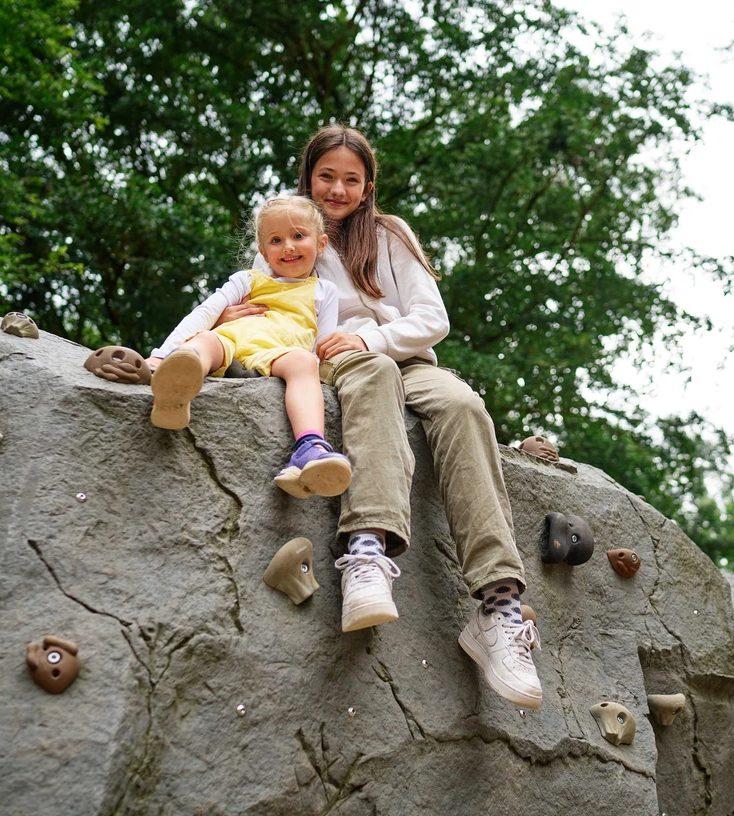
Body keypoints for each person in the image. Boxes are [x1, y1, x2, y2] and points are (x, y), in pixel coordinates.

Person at [225, 126, 542, 709]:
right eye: (327, 176)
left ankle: (498, 607)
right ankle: (366, 551)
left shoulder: (388, 234)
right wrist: (236, 311)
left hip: (400, 352)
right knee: (372, 378)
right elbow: (260, 299)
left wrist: (369, 336)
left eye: (351, 178)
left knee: (465, 407)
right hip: (329, 362)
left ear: (368, 185)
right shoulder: (285, 229)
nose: (338, 188)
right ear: (308, 178)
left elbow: (431, 317)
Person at [147, 195, 352, 499]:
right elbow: (204, 313)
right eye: (276, 240)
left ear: (321, 244)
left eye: (298, 236)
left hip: (280, 352)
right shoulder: (247, 280)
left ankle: (309, 447)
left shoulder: (324, 290)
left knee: (305, 364)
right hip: (233, 339)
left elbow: (321, 344)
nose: (288, 246)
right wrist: (162, 354)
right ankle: (173, 390)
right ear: (263, 251)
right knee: (204, 341)